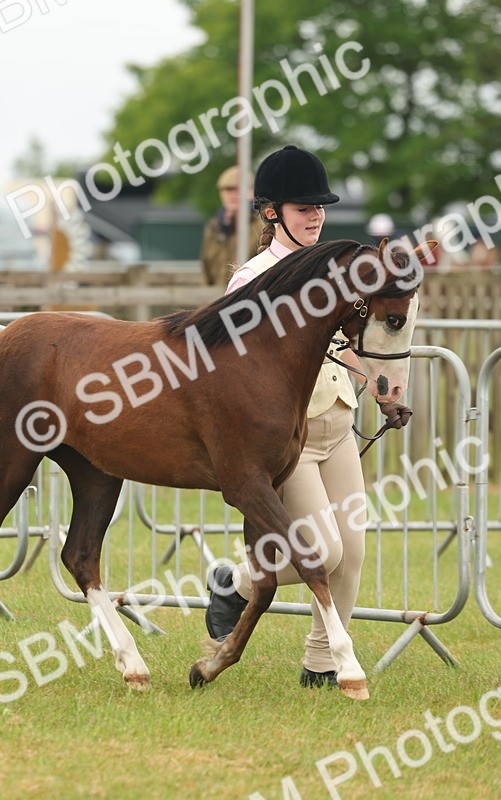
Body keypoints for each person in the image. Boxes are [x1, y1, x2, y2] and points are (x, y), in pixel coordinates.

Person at [205, 145, 368, 689]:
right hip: (286, 435)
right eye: (303, 207)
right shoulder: (250, 279)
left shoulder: (337, 271)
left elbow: (349, 342)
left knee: (355, 551)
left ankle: (321, 665)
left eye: (320, 206)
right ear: (273, 212)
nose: (316, 215)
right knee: (324, 549)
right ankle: (237, 582)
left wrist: (379, 385)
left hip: (339, 419)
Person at [200, 166, 263, 286]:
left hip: (250, 298)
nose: (234, 195)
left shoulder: (263, 227)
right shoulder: (213, 228)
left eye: (239, 189)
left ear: (252, 192)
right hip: (216, 299)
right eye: (228, 190)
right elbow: (206, 271)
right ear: (221, 193)